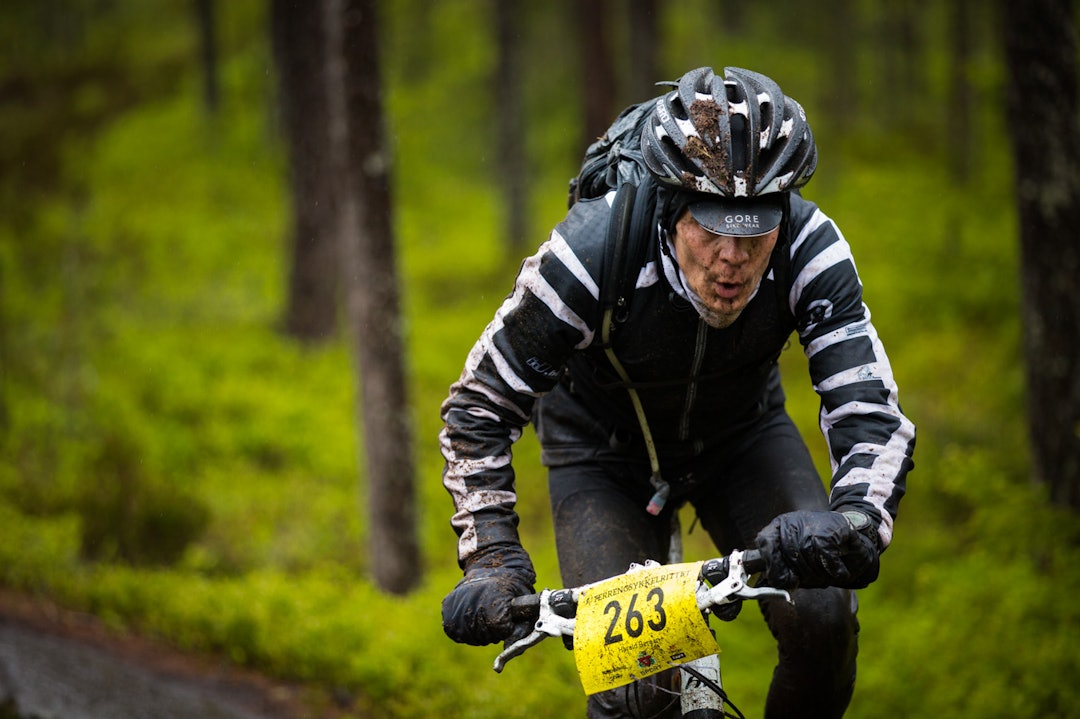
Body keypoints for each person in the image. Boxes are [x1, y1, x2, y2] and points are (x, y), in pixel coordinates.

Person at [439, 66, 915, 719]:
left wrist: (860, 515)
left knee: (824, 616)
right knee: (637, 686)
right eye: (712, 227)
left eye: (754, 231)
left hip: (740, 438)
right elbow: (478, 407)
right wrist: (491, 554)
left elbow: (869, 411)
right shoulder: (592, 249)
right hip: (601, 456)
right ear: (671, 206)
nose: (733, 258)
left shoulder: (809, 248)